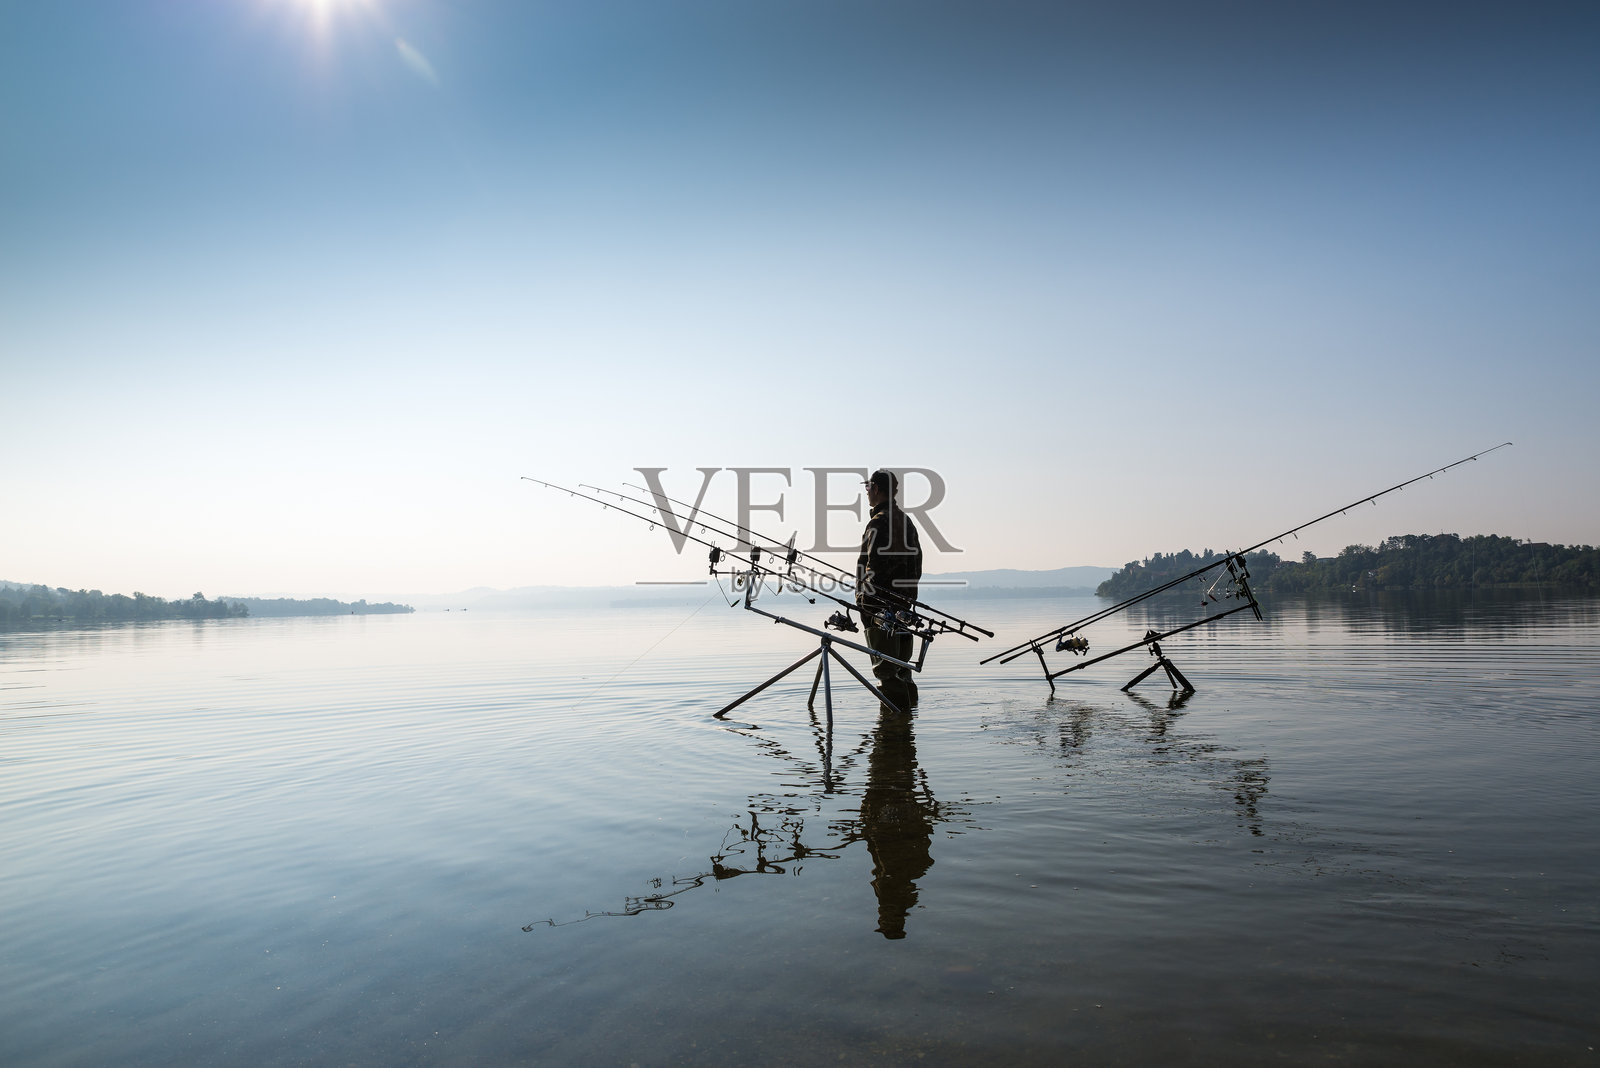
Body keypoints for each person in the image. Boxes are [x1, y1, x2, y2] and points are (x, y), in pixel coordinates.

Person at [856, 469, 922, 707]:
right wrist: (908, 600)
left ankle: (891, 732)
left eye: (867, 488)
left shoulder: (879, 522)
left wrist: (865, 604)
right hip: (904, 609)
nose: (866, 492)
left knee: (886, 672)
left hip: (881, 610)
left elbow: (873, 568)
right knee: (903, 669)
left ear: (875, 488)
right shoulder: (906, 521)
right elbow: (917, 564)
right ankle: (906, 729)